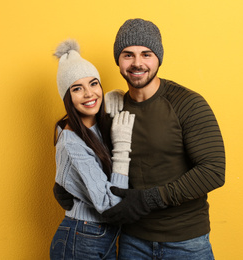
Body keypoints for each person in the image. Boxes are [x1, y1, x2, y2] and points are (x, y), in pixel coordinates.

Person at [56, 18, 226, 260]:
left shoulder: (187, 103)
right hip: (131, 240)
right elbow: (90, 154)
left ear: (158, 58)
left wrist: (149, 199)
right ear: (118, 60)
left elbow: (213, 171)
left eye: (146, 54)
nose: (137, 63)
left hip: (185, 241)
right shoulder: (111, 109)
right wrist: (66, 183)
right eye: (128, 54)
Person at [50, 39, 135, 260]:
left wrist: (118, 99)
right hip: (81, 238)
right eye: (77, 88)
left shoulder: (97, 126)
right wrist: (122, 146)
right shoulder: (71, 141)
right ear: (68, 98)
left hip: (100, 236)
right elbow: (110, 204)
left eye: (94, 84)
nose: (89, 94)